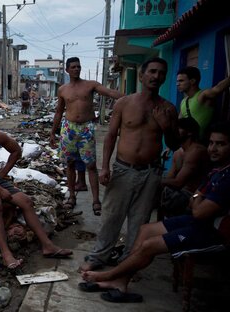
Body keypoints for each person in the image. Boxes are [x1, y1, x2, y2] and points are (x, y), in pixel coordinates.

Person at [79, 122, 230, 303]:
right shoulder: (217, 169)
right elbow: (196, 201)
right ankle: (120, 282)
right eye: (212, 143)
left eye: (221, 144)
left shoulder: (227, 177)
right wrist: (199, 196)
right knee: (146, 230)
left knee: (149, 246)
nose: (213, 148)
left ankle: (108, 276)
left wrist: (198, 197)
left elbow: (198, 210)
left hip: (215, 233)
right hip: (199, 222)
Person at [79, 57, 180, 272]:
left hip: (151, 172)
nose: (156, 76)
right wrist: (105, 166)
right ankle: (100, 256)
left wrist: (166, 127)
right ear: (142, 76)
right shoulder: (125, 103)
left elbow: (174, 144)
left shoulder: (168, 109)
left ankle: (128, 260)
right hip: (124, 169)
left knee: (139, 220)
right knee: (111, 216)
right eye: (152, 71)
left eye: (161, 72)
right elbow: (111, 136)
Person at [0, 108, 72, 269]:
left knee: (26, 202)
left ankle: (47, 245)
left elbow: (16, 151)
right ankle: (6, 254)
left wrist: (3, 172)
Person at [50, 57, 124, 216]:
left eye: (79, 66)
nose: (77, 69)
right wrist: (52, 132)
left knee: (90, 165)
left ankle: (96, 200)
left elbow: (110, 92)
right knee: (69, 164)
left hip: (86, 129)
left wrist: (130, 98)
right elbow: (59, 111)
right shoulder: (63, 89)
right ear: (67, 70)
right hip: (69, 129)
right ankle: (71, 197)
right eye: (73, 67)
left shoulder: (90, 85)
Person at [158, 117, 210, 220]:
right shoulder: (178, 152)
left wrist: (155, 180)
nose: (175, 131)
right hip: (181, 192)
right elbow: (170, 177)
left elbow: (178, 183)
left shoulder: (196, 151)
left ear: (189, 133)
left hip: (195, 195)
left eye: (178, 128)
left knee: (172, 196)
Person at [177, 66, 230, 140]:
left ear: (192, 81)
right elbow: (179, 125)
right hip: (187, 144)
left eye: (181, 81)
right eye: (177, 81)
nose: (177, 84)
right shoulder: (183, 101)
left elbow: (217, 89)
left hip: (202, 143)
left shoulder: (202, 95)